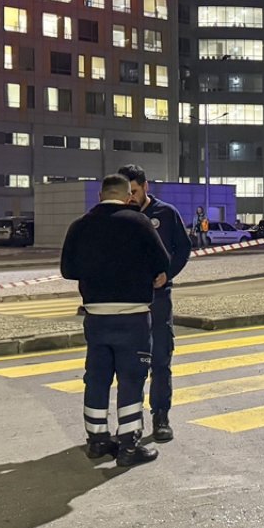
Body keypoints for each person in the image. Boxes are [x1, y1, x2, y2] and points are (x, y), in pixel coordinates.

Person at [60, 174, 170, 467]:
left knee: (96, 379)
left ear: (100, 196)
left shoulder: (80, 226)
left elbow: (67, 270)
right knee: (131, 380)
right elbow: (163, 262)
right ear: (128, 197)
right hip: (132, 317)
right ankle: (129, 446)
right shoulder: (139, 223)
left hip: (96, 318)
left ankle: (96, 441)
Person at [117, 164, 191, 442]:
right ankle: (130, 422)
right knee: (130, 364)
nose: (130, 197)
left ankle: (161, 415)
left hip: (159, 300)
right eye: (126, 192)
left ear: (146, 186)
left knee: (160, 359)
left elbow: (183, 249)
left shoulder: (166, 214)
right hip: (129, 301)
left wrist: (167, 273)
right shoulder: (121, 215)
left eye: (134, 191)